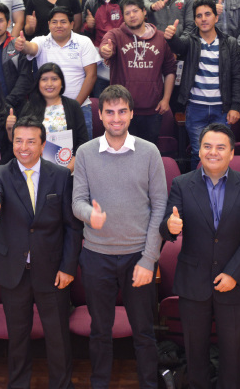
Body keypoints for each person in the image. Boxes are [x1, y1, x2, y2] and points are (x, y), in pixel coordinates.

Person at [72, 85, 167, 389]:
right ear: (99, 115)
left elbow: (160, 208)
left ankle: (149, 384)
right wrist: (91, 215)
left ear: (131, 114)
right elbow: (77, 203)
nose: (116, 118)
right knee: (100, 330)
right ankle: (99, 383)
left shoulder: (150, 152)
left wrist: (149, 259)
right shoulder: (85, 153)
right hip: (97, 256)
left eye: (122, 111)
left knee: (144, 332)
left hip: (138, 257)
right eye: (109, 112)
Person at [160, 123, 240, 389]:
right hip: (193, 282)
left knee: (232, 354)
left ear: (231, 153)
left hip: (234, 282)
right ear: (199, 150)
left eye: (220, 147)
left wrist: (233, 273)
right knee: (195, 353)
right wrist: (169, 229)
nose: (213, 152)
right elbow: (167, 223)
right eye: (207, 146)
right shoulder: (182, 183)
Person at [0, 116, 83, 389]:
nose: (23, 147)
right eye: (18, 141)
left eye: (30, 141)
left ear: (42, 145)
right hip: (13, 271)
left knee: (58, 338)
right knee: (17, 339)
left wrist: (68, 267)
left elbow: (72, 227)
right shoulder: (0, 173)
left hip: (52, 271)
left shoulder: (60, 175)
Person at [164, 0, 240, 169]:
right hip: (195, 108)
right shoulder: (191, 41)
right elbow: (179, 46)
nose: (203, 19)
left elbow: (237, 77)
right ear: (195, 20)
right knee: (198, 152)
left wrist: (235, 106)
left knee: (221, 154)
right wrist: (171, 38)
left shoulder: (230, 43)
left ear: (216, 17)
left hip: (222, 109)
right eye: (199, 16)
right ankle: (198, 191)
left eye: (208, 14)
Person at [99, 0, 177, 145]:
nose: (132, 16)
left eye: (135, 11)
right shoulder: (115, 35)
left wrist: (166, 99)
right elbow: (105, 46)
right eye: (127, 13)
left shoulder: (160, 38)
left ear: (144, 12)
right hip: (122, 111)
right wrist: (106, 51)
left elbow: (169, 71)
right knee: (122, 152)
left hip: (153, 111)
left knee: (148, 153)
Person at [17, 6, 100, 140]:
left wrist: (74, 107)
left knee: (82, 154)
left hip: (80, 109)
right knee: (50, 154)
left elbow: (91, 76)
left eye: (63, 22)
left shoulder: (84, 42)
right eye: (54, 22)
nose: (58, 25)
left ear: (72, 24)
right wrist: (23, 46)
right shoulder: (41, 41)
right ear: (49, 24)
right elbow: (30, 48)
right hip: (48, 109)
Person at [20, 63, 89, 173]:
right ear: (38, 83)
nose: (49, 84)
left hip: (69, 171)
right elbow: (22, 142)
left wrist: (67, 171)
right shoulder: (29, 108)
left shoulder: (73, 106)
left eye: (54, 79)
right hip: (36, 172)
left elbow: (82, 143)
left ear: (61, 82)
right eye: (44, 79)